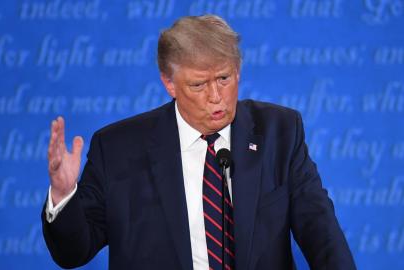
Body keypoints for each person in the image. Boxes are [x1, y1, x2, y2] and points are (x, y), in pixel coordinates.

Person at [42, 15, 356, 270]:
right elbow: (73, 254)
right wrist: (63, 194)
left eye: (224, 78)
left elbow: (321, 233)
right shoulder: (118, 148)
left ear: (238, 71)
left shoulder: (280, 132)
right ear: (169, 83)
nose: (216, 97)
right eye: (198, 84)